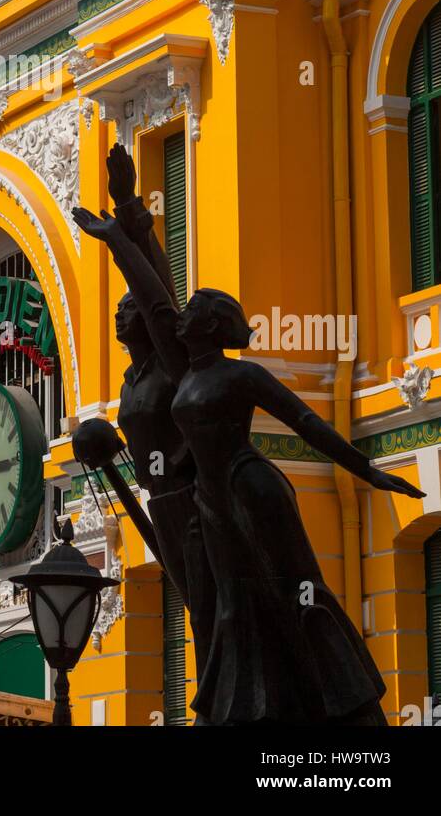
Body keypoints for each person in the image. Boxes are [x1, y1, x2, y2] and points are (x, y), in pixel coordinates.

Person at [72, 203, 424, 726]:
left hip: (252, 490)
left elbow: (307, 423)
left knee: (299, 597)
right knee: (232, 614)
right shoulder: (184, 371)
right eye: (180, 310)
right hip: (212, 504)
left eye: (189, 309)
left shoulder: (241, 376)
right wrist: (119, 238)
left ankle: (346, 707)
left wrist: (366, 468)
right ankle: (248, 713)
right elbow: (153, 301)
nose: (178, 313)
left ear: (210, 325)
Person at [73, 145, 216, 693]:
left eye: (130, 305)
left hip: (196, 502)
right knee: (201, 619)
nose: (121, 308)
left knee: (213, 619)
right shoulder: (133, 382)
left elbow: (156, 287)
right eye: (121, 306)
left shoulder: (169, 363)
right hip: (162, 504)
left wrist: (127, 210)